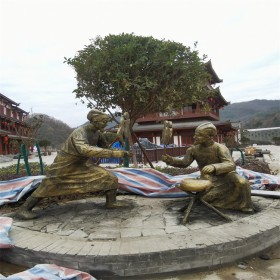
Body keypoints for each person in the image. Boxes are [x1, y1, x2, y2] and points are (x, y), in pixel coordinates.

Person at [17, 109, 131, 220]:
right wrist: (114, 153)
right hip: (65, 165)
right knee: (48, 186)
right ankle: (24, 209)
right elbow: (85, 150)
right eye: (104, 122)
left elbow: (106, 147)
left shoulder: (98, 134)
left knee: (110, 177)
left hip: (82, 164)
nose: (105, 125)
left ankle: (111, 202)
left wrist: (120, 150)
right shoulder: (80, 132)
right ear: (95, 121)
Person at [162, 122, 253, 213]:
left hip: (226, 175)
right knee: (206, 197)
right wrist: (171, 160)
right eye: (195, 135)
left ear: (209, 136)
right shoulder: (193, 149)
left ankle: (245, 205)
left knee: (243, 182)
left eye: (199, 135)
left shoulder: (220, 148)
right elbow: (184, 163)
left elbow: (231, 165)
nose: (195, 137)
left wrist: (214, 166)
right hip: (208, 178)